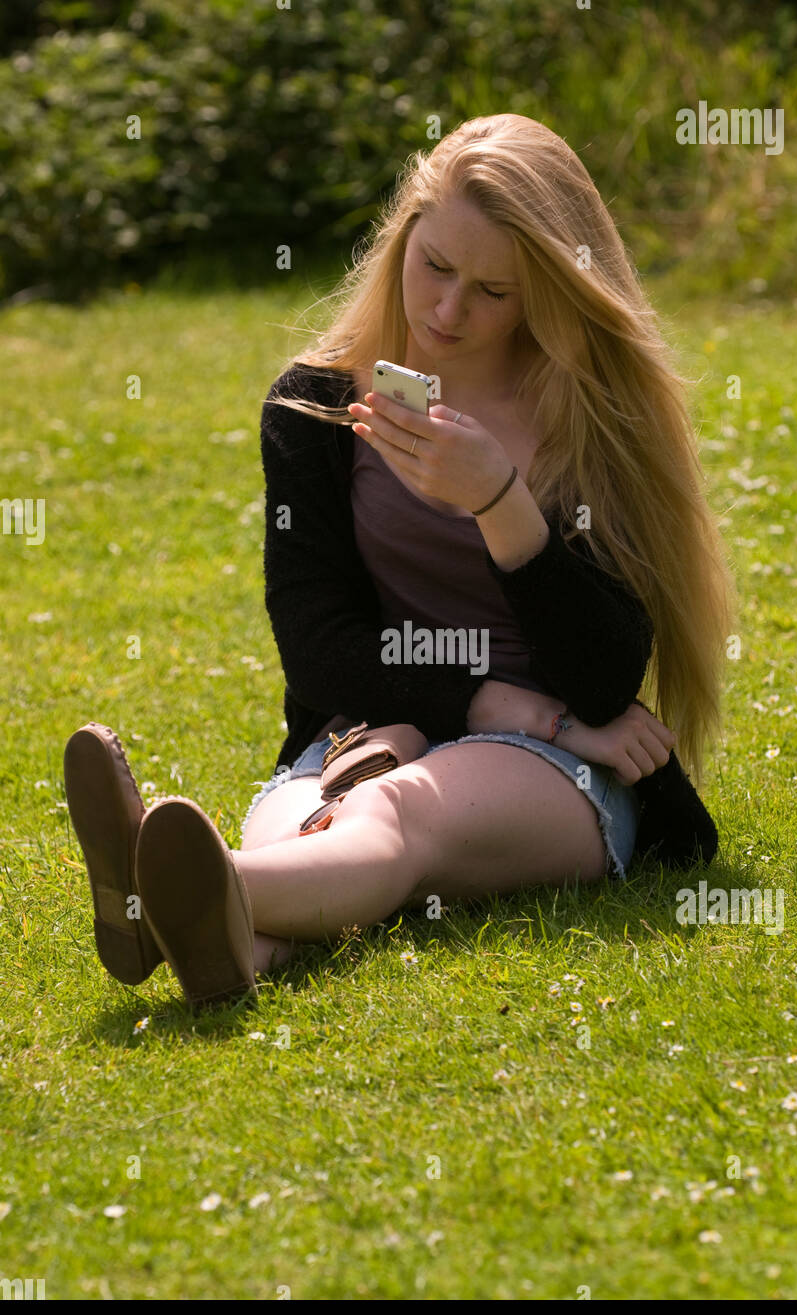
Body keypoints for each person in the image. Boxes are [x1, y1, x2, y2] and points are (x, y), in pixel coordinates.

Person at [64, 113, 736, 1012]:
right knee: (313, 826)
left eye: (494, 291)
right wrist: (492, 699)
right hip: (370, 720)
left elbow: (606, 675)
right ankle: (228, 937)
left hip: (566, 770)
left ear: (544, 291)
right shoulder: (315, 408)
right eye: (437, 268)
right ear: (402, 240)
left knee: (391, 814)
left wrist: (500, 503)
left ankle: (167, 890)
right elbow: (318, 648)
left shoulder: (586, 414)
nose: (449, 311)